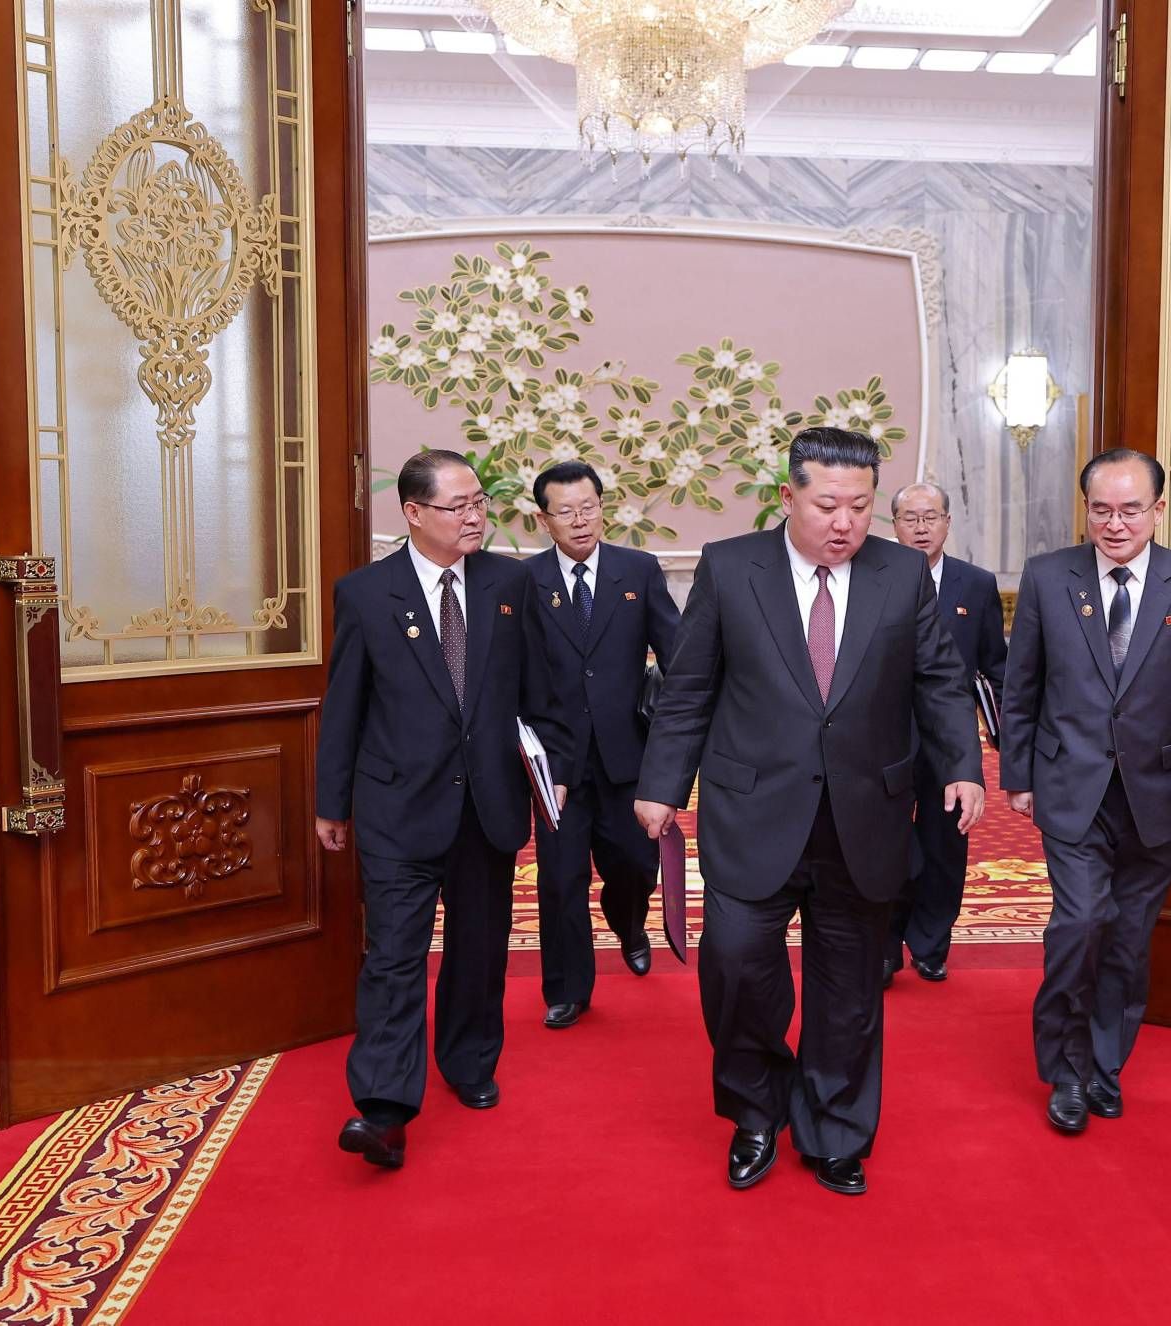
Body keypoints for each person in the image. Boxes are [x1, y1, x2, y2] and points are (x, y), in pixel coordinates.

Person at [634, 428, 984, 1196]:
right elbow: (689, 688)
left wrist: (963, 766)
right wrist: (661, 784)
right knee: (736, 966)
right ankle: (757, 1109)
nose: (845, 522)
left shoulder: (900, 572)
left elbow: (939, 681)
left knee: (850, 984)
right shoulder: (731, 567)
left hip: (865, 813)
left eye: (860, 506)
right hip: (751, 810)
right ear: (788, 497)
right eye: (827, 504)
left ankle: (835, 1127)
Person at [315, 449, 571, 1170]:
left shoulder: (509, 584)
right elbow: (344, 705)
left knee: (478, 947)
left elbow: (544, 692)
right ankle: (384, 1108)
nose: (474, 516)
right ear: (414, 513)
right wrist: (331, 800)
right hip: (397, 804)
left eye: (479, 502)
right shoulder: (367, 594)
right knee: (394, 954)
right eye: (457, 506)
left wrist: (556, 770)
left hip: (487, 802)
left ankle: (469, 1060)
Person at [1000, 447, 1171, 1136]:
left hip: (1154, 791)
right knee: (1079, 925)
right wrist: (1018, 775)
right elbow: (1022, 686)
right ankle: (1067, 1071)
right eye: (1101, 510)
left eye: (1130, 510)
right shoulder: (1049, 577)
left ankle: (1105, 1067)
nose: (1115, 524)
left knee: (1129, 939)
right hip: (1070, 785)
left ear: (1158, 510)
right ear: (1086, 509)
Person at [525, 461, 680, 1029]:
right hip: (557, 761)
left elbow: (677, 653)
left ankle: (630, 923)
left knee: (634, 865)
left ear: (601, 508)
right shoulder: (526, 581)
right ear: (543, 520)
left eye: (588, 507)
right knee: (560, 878)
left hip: (627, 756)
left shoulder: (637, 570)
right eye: (565, 511)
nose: (580, 520)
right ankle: (567, 988)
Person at [886, 481, 1007, 985]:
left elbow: (995, 666)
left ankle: (931, 943)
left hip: (949, 740)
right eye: (910, 518)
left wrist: (1005, 736)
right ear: (894, 525)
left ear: (948, 522)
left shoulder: (975, 585)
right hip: (884, 737)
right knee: (887, 844)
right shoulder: (874, 577)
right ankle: (885, 944)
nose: (921, 527)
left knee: (945, 844)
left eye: (930, 517)